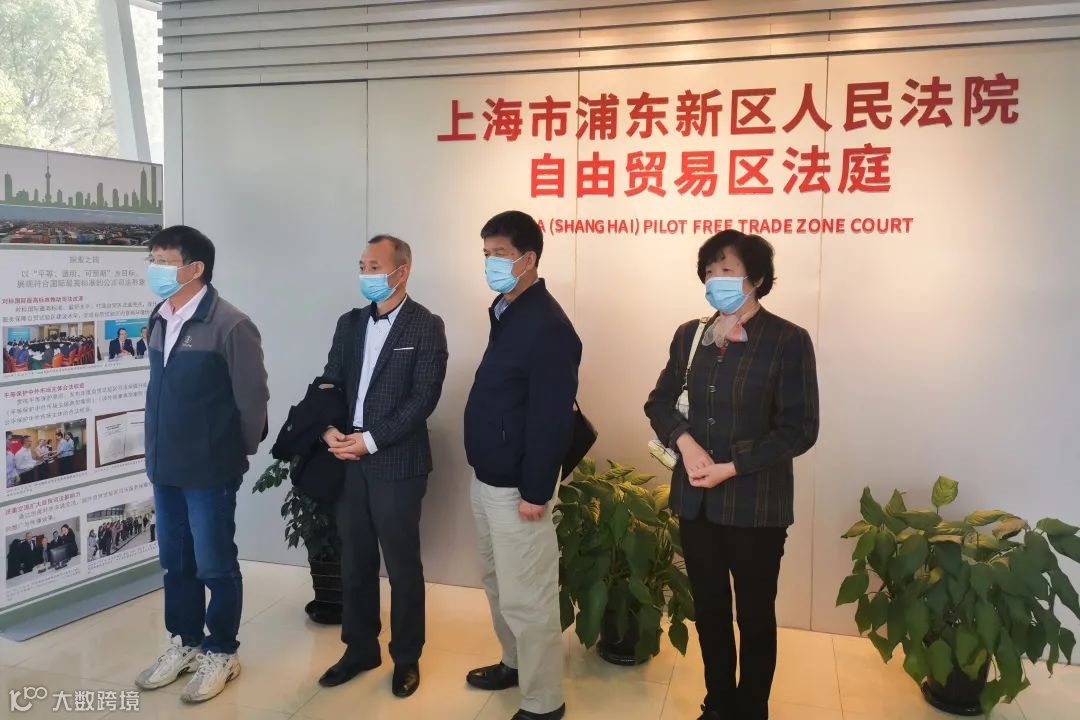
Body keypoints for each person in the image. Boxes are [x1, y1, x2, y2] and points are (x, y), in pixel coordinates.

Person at [644, 230, 819, 720]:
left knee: (755, 617)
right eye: (710, 271)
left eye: (727, 270)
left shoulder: (787, 340)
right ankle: (718, 702)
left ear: (756, 278)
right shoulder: (691, 335)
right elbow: (658, 402)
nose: (715, 280)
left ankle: (752, 709)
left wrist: (732, 465)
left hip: (756, 505)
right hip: (696, 501)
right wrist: (685, 441)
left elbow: (800, 429)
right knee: (711, 611)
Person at [135, 225, 269, 704]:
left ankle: (222, 651)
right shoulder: (159, 316)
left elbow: (253, 398)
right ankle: (186, 643)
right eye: (153, 259)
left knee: (214, 563)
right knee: (176, 563)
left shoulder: (230, 324)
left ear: (195, 269)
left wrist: (236, 453)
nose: (155, 268)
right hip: (165, 463)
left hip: (210, 469)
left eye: (165, 261)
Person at [317, 235, 448, 698]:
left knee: (402, 564)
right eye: (362, 265)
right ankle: (360, 648)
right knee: (354, 560)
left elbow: (423, 397)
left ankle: (406, 657)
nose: (366, 274)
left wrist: (370, 441)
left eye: (374, 266)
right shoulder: (349, 323)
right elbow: (330, 382)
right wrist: (328, 429)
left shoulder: (426, 325)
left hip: (396, 460)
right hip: (346, 456)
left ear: (401, 270)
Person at [464, 211, 580, 720]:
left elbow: (551, 418)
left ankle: (543, 701)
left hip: (518, 488)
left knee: (528, 596)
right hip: (487, 476)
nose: (490, 263)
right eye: (486, 254)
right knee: (498, 582)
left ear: (528, 259)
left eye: (500, 255)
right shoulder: (506, 309)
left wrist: (536, 491)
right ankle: (513, 663)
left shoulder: (548, 325)